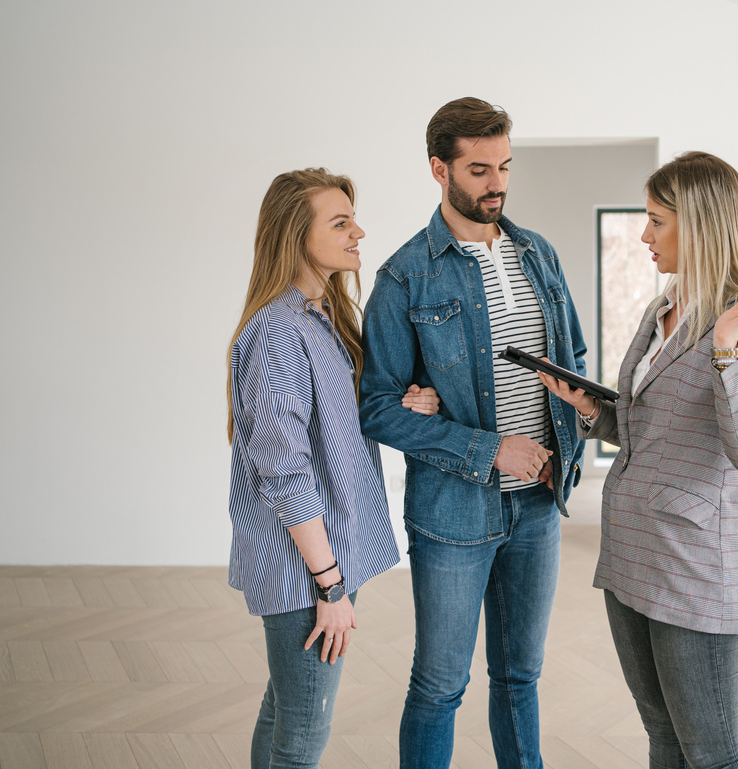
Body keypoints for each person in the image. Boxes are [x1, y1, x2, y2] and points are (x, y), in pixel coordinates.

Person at [538, 151, 738, 769]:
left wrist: (727, 348)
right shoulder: (662, 309)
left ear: (700, 225)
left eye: (656, 221)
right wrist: (591, 411)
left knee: (713, 752)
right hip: (629, 552)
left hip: (693, 564)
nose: (644, 235)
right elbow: (647, 429)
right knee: (662, 736)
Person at [357, 97, 588, 769]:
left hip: (538, 506)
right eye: (480, 169)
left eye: (505, 166)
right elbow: (377, 408)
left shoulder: (538, 255)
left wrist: (568, 438)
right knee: (439, 685)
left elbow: (570, 364)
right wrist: (490, 449)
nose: (497, 184)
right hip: (453, 513)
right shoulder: (405, 275)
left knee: (519, 678)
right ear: (440, 169)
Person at [226, 168, 441, 769]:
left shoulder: (321, 318)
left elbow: (327, 421)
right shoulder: (277, 332)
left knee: (283, 713)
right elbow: (283, 470)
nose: (359, 232)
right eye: (340, 222)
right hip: (306, 571)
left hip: (318, 563)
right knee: (302, 739)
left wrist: (403, 402)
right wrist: (330, 586)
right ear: (296, 235)